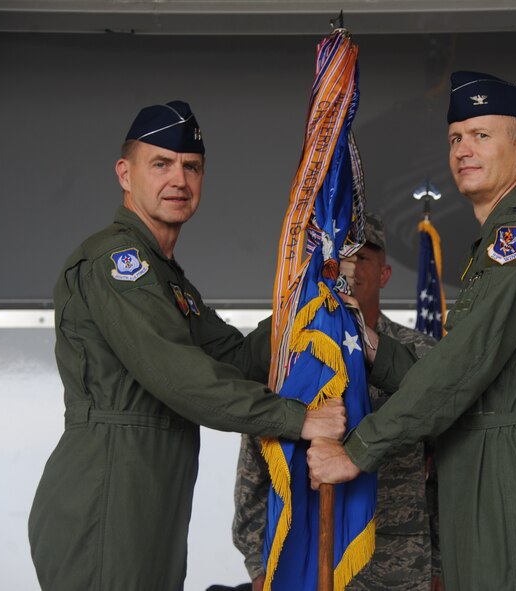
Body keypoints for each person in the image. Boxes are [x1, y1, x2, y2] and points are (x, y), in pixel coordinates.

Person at [27, 100, 346, 591]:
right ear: (125, 173)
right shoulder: (119, 261)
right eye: (161, 164)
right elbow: (180, 377)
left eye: (191, 167)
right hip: (108, 490)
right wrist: (297, 419)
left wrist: (305, 298)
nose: (179, 179)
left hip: (149, 491)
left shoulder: (165, 276)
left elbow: (235, 360)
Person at [307, 72, 516, 590]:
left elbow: (463, 366)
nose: (464, 149)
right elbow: (464, 369)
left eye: (482, 135)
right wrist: (366, 340)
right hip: (485, 471)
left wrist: (356, 452)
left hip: (515, 474)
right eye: (455, 138)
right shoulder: (493, 243)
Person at [232, 214, 444, 591]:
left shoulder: (423, 354)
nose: (350, 265)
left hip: (401, 565)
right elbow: (256, 465)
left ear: (384, 274)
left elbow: (444, 469)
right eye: (341, 254)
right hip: (309, 558)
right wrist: (258, 565)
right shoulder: (293, 355)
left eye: (363, 256)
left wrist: (440, 566)